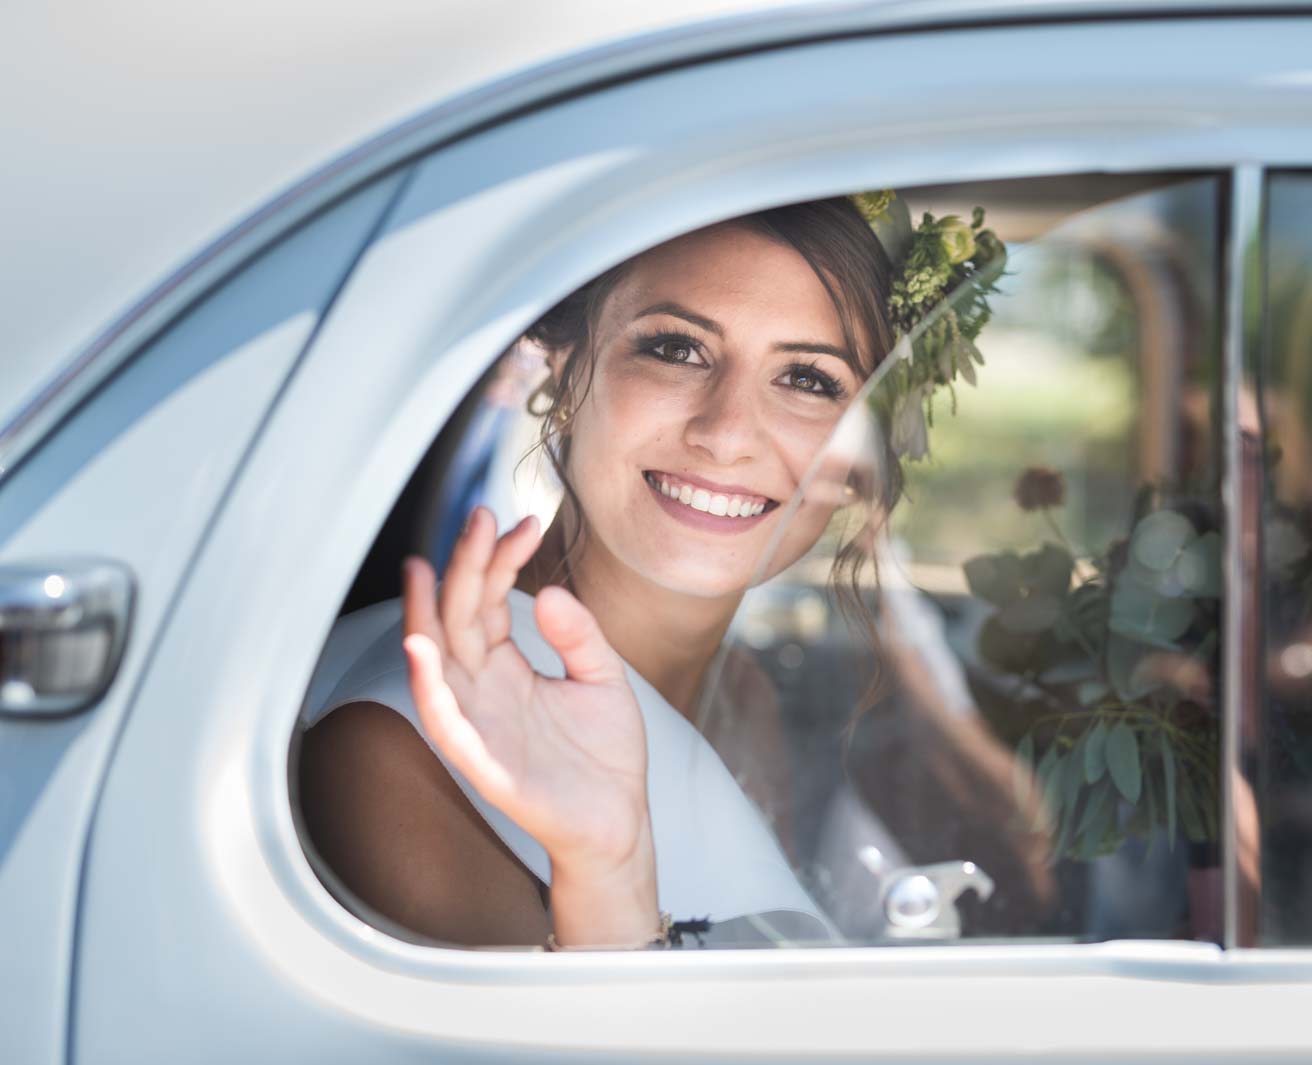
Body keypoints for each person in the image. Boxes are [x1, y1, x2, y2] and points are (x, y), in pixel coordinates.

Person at [297, 194, 1006, 949]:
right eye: (675, 349)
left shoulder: (743, 700)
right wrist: (605, 873)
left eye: (808, 378)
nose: (726, 434)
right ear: (566, 368)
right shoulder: (394, 759)